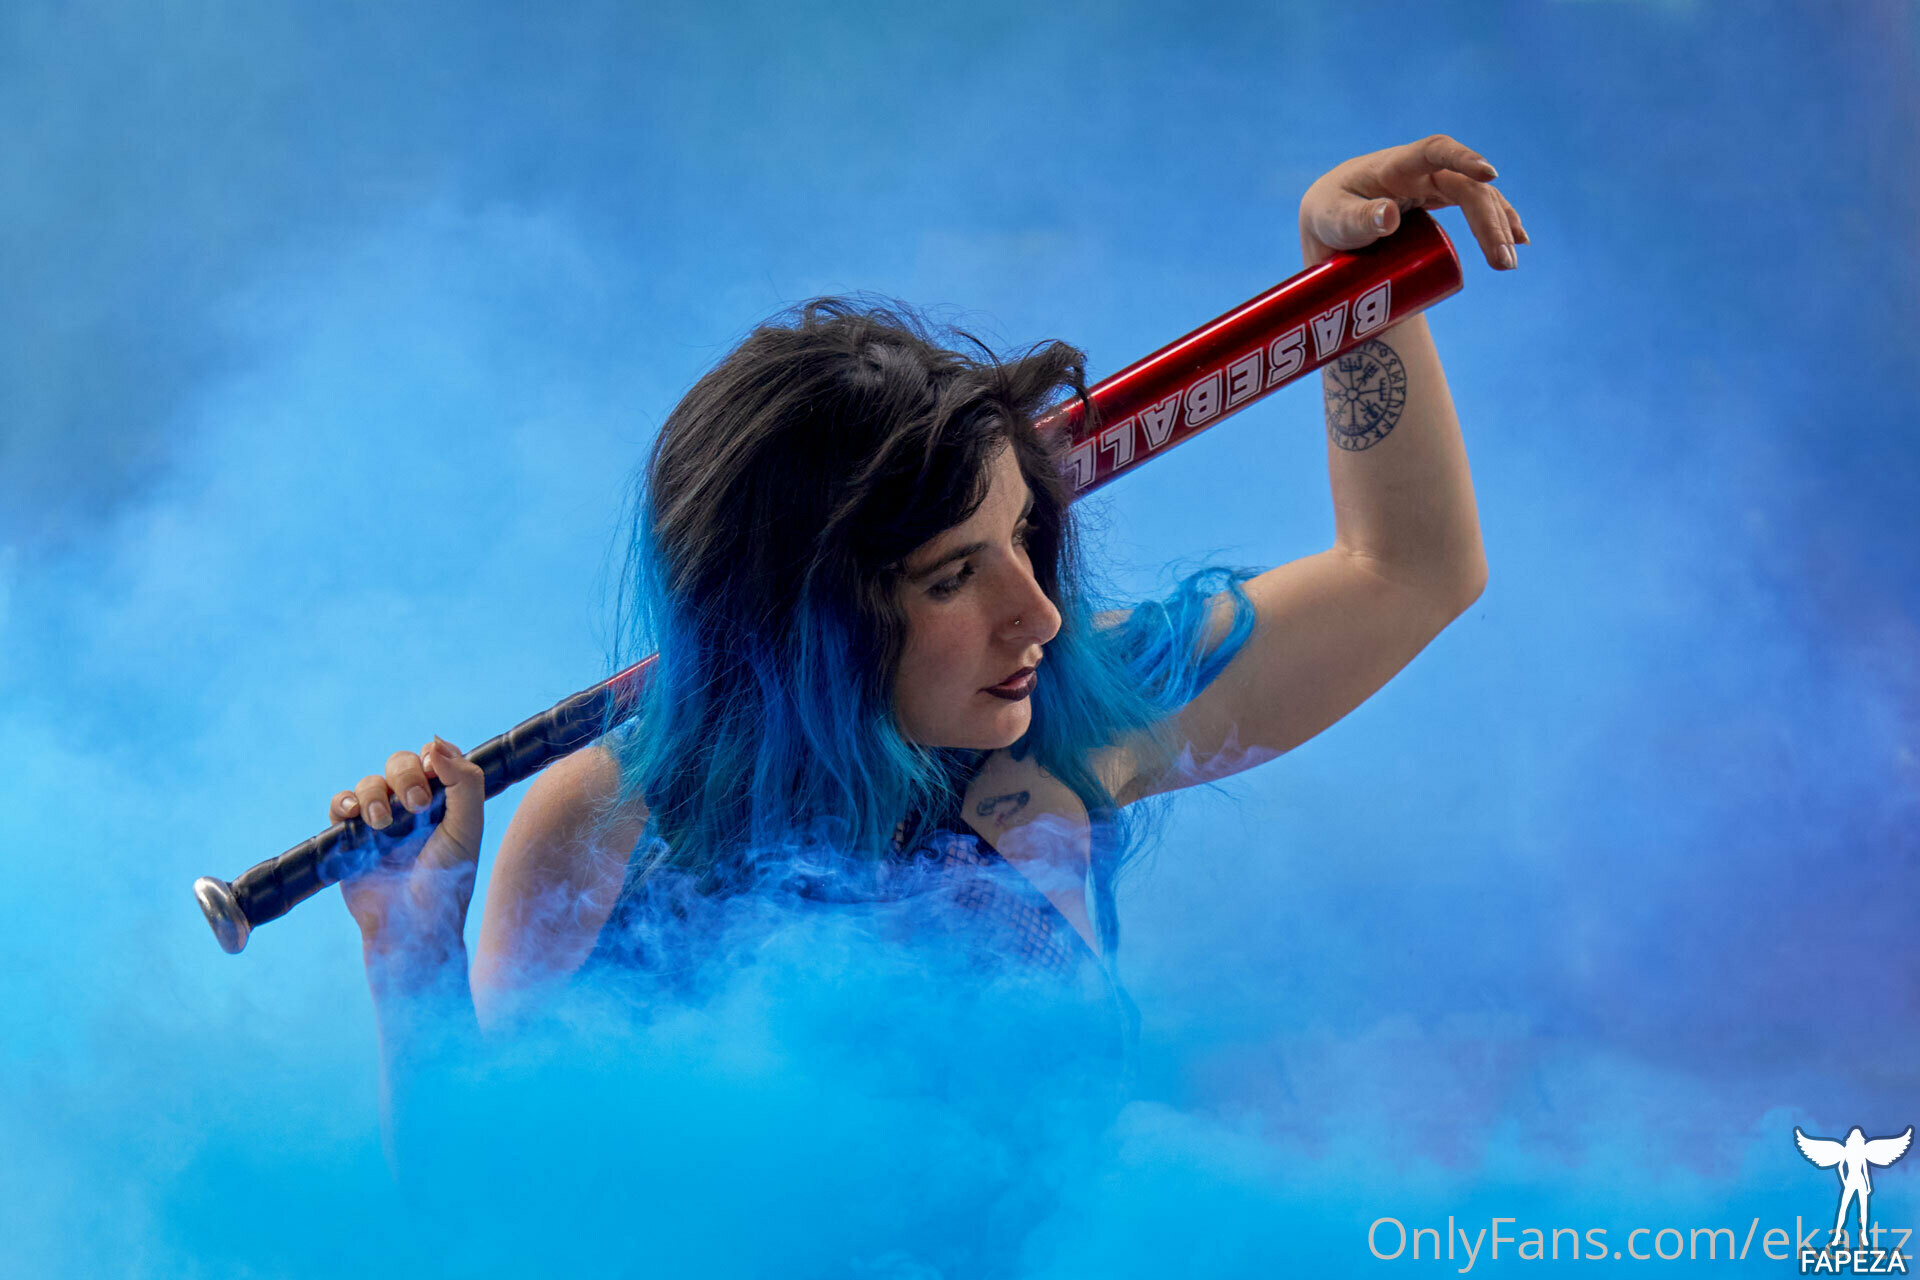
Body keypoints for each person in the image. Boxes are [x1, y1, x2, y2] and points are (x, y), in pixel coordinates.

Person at [329, 133, 1518, 1161]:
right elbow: (503, 1218)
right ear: (808, 624)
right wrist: (412, 957)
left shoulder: (1067, 722)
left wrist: (1353, 285)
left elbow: (1408, 572)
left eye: (1024, 535)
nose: (1037, 612)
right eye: (955, 575)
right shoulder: (606, 825)